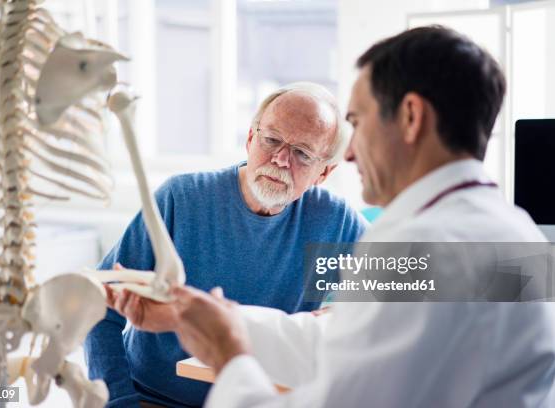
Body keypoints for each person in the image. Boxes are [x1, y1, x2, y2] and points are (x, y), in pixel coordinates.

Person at [110, 26, 555, 407]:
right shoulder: (510, 236)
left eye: (357, 123)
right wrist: (206, 316)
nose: (351, 152)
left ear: (411, 117)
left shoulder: (428, 242)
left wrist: (229, 358)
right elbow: (342, 342)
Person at [84, 82, 367, 407]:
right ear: (250, 139)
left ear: (324, 172)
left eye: (302, 154)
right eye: (271, 140)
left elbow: (421, 281)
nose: (280, 160)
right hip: (154, 398)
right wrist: (119, 401)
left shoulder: (335, 221)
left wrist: (346, 313)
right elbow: (99, 308)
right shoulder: (182, 199)